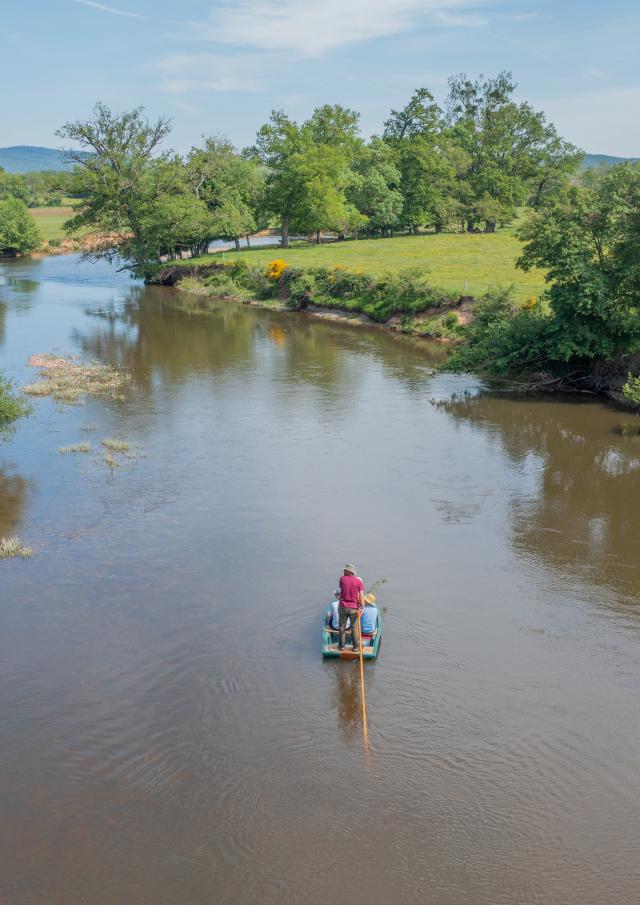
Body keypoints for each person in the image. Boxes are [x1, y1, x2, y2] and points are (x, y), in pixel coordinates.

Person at [338, 563, 365, 654]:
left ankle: (341, 646)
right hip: (354, 608)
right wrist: (362, 607)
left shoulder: (342, 579)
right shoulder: (359, 582)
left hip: (343, 606)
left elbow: (342, 590)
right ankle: (356, 647)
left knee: (342, 626)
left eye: (345, 570)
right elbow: (361, 596)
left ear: (349, 571)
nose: (343, 571)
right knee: (354, 628)